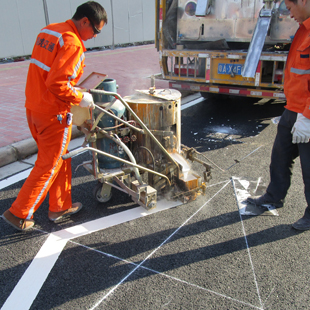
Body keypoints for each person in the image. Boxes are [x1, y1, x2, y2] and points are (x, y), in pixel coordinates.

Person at [2, 1, 107, 231]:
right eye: (96, 31)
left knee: (60, 157)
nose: (95, 36)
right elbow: (58, 83)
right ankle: (19, 213)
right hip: (53, 114)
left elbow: (47, 73)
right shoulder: (73, 44)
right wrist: (80, 97)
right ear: (85, 21)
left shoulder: (50, 31)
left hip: (34, 107)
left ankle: (59, 206)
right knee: (48, 165)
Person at [247, 0, 310, 230]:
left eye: (290, 7)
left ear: (302, 1)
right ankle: (274, 196)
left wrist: (308, 117)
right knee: (280, 157)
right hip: (293, 108)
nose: (289, 13)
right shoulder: (304, 28)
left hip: (308, 113)